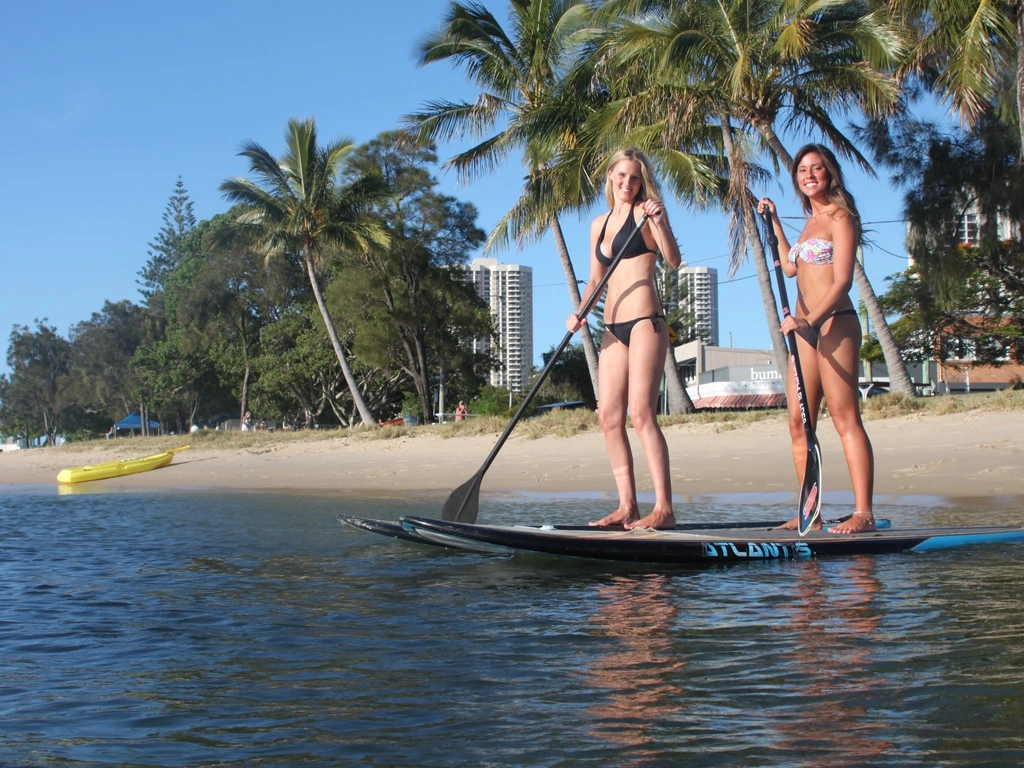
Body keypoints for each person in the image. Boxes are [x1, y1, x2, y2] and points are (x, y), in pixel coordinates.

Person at [758, 144, 876, 534]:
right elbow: (791, 268)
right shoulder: (809, 222)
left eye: (816, 168)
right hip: (805, 331)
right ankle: (811, 510)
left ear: (830, 173)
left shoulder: (841, 217)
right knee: (798, 422)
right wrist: (774, 222)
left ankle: (863, 513)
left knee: (844, 418)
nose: (809, 175)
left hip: (834, 323)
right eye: (802, 170)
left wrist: (809, 319)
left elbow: (841, 280)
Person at [566, 148, 681, 530]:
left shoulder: (646, 214)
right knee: (608, 417)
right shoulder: (598, 224)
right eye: (621, 176)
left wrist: (661, 223)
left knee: (640, 413)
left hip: (646, 321)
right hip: (612, 328)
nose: (627, 184)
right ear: (610, 176)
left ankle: (664, 508)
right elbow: (596, 281)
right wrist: (580, 312)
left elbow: (673, 259)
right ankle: (627, 506)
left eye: (634, 178)